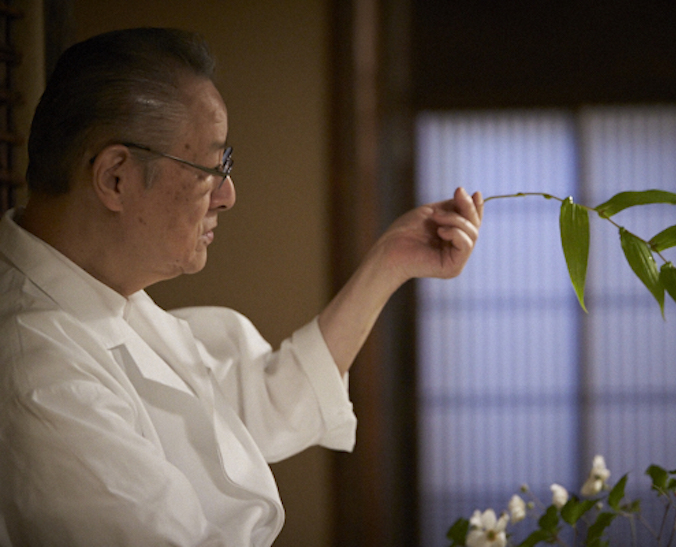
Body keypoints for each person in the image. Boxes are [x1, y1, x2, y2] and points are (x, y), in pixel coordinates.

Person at [0, 28, 483, 546]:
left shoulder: (102, 296)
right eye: (210, 167)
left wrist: (391, 261)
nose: (227, 195)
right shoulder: (38, 366)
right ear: (116, 177)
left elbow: (262, 404)